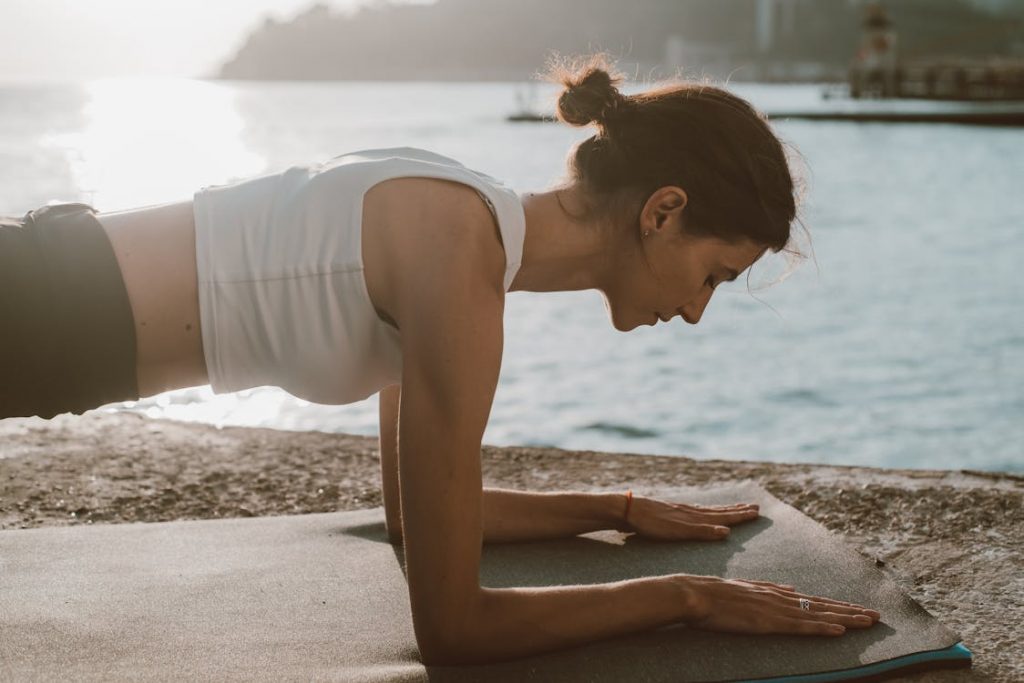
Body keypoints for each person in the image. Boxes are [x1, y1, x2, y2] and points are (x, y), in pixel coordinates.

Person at [0, 54, 880, 665]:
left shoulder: (462, 223)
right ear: (663, 211)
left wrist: (614, 508)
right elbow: (456, 626)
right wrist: (688, 598)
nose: (695, 310)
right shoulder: (457, 263)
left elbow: (414, 517)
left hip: (39, 308)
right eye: (713, 276)